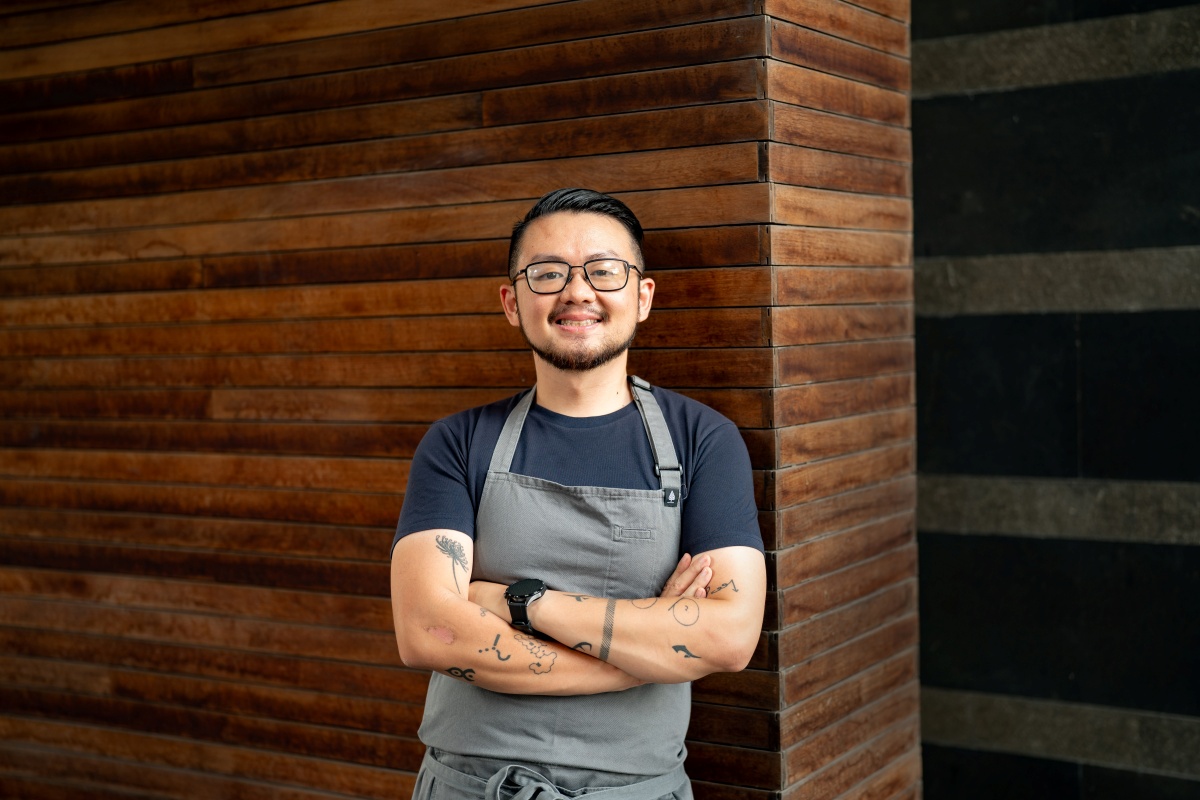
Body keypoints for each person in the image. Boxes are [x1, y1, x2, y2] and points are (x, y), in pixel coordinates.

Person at [390, 187, 766, 799]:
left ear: (642, 297)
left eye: (604, 270)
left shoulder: (703, 441)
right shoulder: (458, 442)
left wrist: (520, 603)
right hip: (467, 787)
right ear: (512, 302)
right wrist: (636, 664)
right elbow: (428, 632)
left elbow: (728, 637)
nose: (577, 292)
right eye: (547, 273)